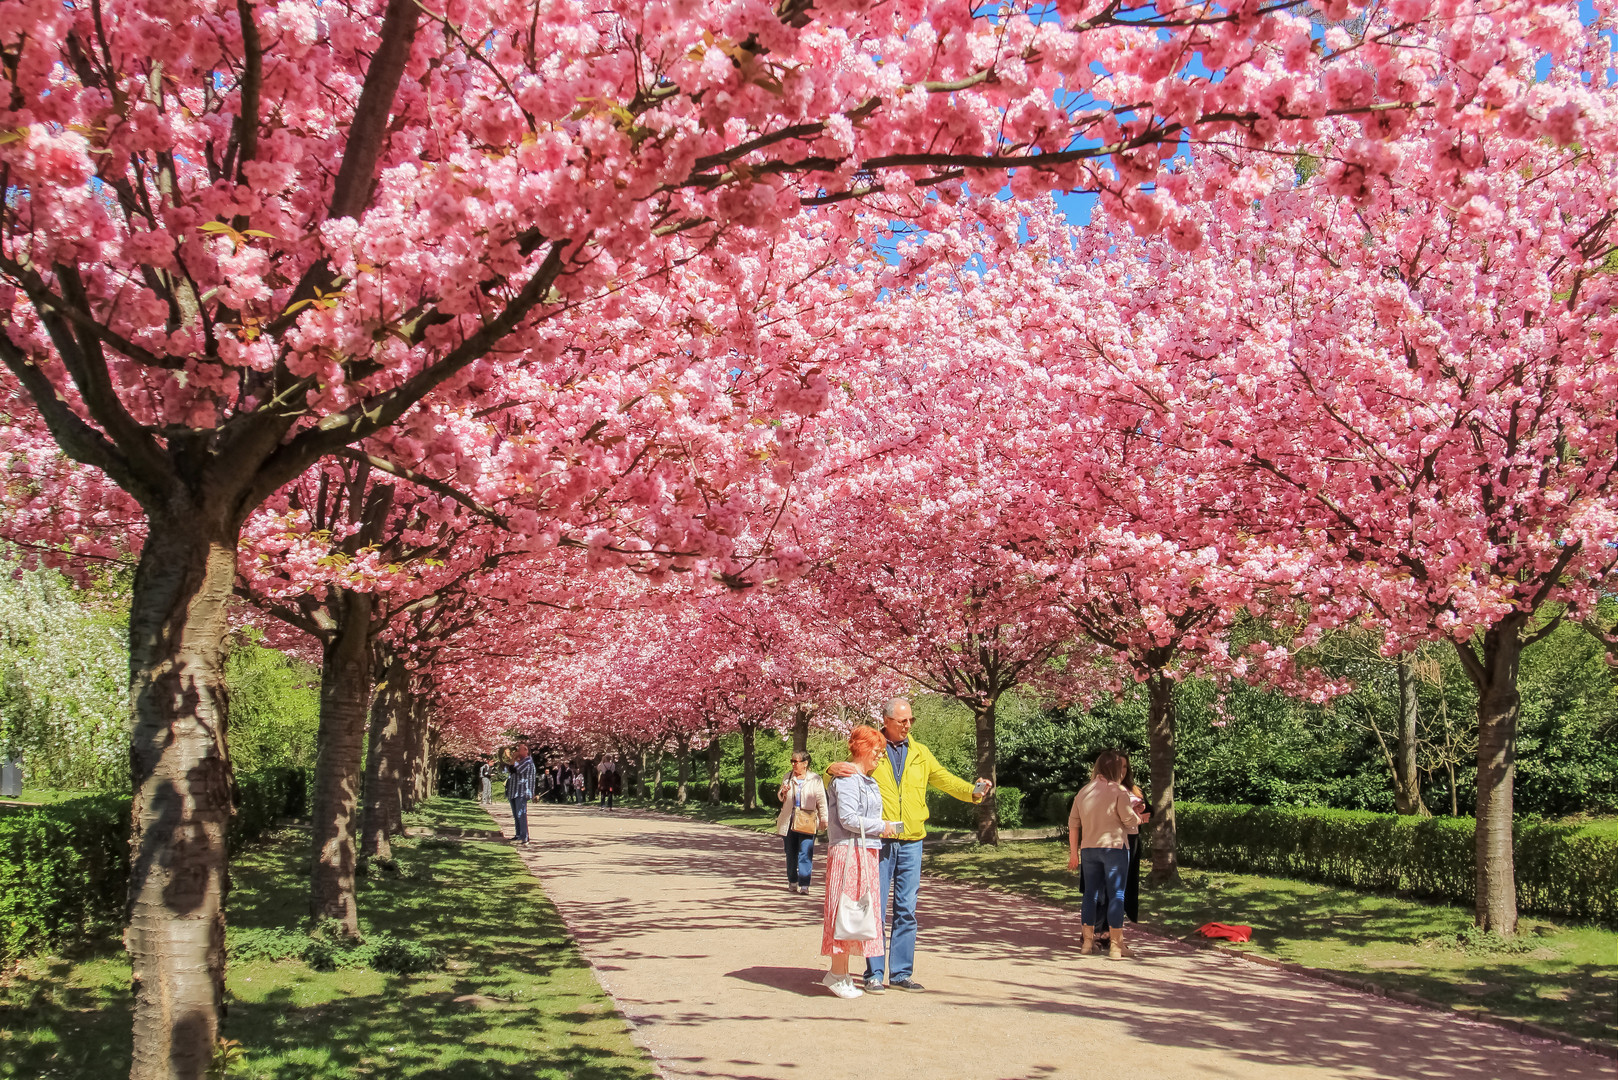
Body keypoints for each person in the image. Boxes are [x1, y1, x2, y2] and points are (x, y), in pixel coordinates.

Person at [826, 696, 991, 994]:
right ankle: (874, 972)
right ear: (887, 720)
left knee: (907, 909)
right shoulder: (875, 749)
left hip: (913, 840)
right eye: (902, 721)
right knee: (873, 906)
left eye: (911, 720)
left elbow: (945, 780)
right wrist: (830, 767)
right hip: (880, 840)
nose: (907, 725)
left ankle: (901, 973)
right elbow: (852, 769)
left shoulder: (920, 753)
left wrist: (973, 793)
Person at [821, 726, 901, 999]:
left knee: (858, 913)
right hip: (847, 851)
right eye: (877, 752)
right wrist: (883, 826)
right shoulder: (847, 779)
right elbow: (848, 819)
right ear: (864, 750)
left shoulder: (868, 779)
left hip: (866, 851)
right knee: (845, 911)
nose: (880, 756)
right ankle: (838, 973)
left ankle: (840, 973)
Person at [1068, 749, 1142, 960]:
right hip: (1115, 848)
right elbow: (1128, 820)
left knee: (1090, 894)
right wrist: (1137, 818)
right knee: (1117, 895)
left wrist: (1074, 854)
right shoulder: (1118, 791)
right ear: (1115, 768)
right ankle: (1116, 946)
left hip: (1089, 848)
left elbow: (1073, 824)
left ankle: (1088, 942)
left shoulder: (1083, 792)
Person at [1092, 754, 1149, 948]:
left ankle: (1112, 932)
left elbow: (1150, 810)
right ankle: (1096, 931)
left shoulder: (1134, 789)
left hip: (1131, 841)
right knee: (1103, 887)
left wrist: (1141, 809)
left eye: (1125, 767)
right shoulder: (1099, 789)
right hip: (1108, 841)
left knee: (1121, 887)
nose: (1122, 771)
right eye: (1119, 767)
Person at [774, 751, 829, 894]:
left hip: (807, 819)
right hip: (789, 819)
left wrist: (824, 818)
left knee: (805, 851)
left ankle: (804, 884)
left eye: (796, 762)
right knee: (790, 852)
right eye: (791, 761)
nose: (793, 764)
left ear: (805, 763)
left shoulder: (815, 779)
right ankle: (792, 880)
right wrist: (783, 792)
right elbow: (780, 797)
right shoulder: (788, 777)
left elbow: (821, 801)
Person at [505, 743, 537, 846]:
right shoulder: (520, 761)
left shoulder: (527, 761)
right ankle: (518, 834)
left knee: (521, 814)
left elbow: (514, 770)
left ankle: (524, 837)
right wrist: (513, 759)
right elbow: (508, 769)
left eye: (520, 749)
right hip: (514, 791)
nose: (518, 750)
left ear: (526, 750)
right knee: (516, 815)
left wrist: (513, 759)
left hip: (521, 791)